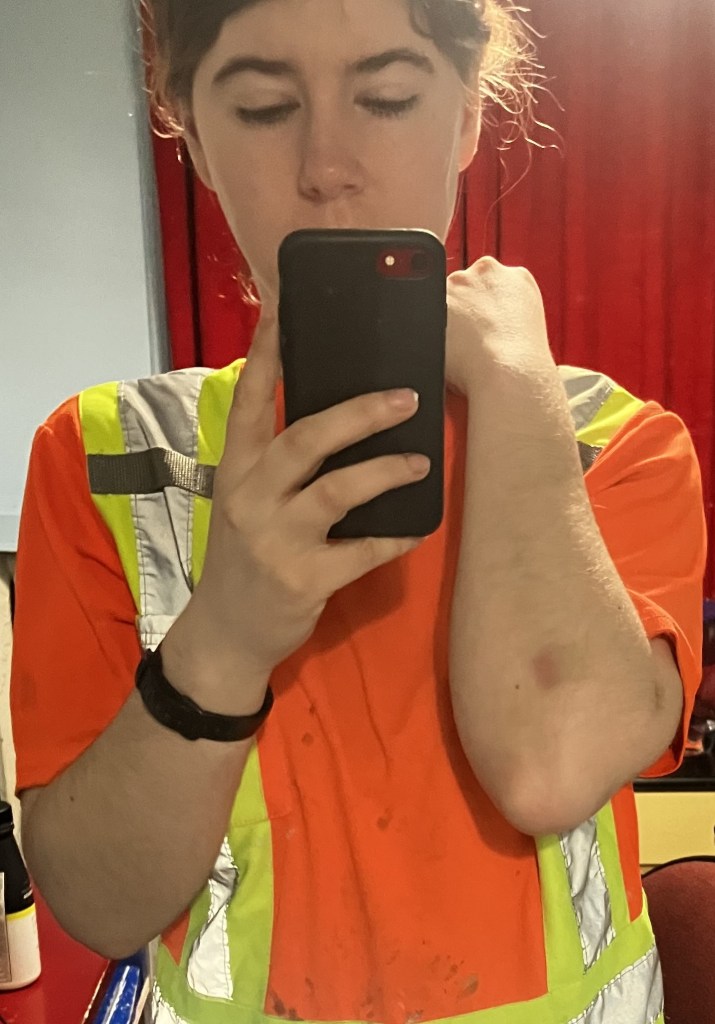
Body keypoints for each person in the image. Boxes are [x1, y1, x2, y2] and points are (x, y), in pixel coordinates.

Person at [10, 1, 706, 1022]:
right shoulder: (106, 458)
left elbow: (551, 770)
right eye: (263, 108)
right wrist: (227, 636)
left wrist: (515, 388)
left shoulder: (614, 445)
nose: (327, 167)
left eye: (384, 99)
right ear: (191, 137)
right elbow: (98, 906)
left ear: (467, 118)